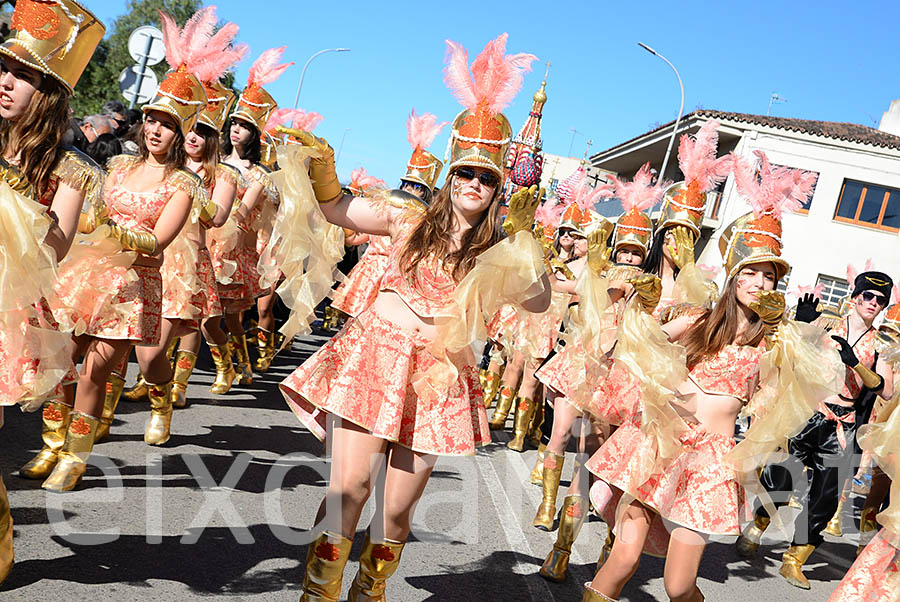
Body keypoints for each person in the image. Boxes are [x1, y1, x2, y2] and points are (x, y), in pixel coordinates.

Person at [279, 34, 549, 600]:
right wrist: (323, 164)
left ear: (499, 187)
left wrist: (525, 240)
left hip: (440, 377)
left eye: (487, 178)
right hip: (376, 355)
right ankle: (318, 593)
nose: (474, 184)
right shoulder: (407, 218)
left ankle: (368, 590)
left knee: (396, 512)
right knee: (348, 487)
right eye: (465, 173)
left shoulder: (500, 248)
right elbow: (334, 209)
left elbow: (540, 303)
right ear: (450, 175)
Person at [583, 151, 836, 602]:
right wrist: (641, 308)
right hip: (662, 443)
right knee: (621, 560)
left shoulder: (773, 344)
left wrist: (786, 339)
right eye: (752, 273)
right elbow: (639, 345)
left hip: (712, 464)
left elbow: (802, 390)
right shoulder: (699, 320)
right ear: (735, 277)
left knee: (678, 587)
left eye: (769, 277)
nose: (760, 283)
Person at [41, 11, 206, 490]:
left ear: (181, 133)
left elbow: (157, 241)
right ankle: (53, 443)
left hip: (133, 284)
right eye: (152, 118)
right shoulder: (115, 165)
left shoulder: (184, 183)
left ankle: (75, 457)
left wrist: (111, 226)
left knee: (94, 372)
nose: (155, 129)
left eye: (167, 123)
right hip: (85, 275)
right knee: (61, 363)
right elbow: (84, 209)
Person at [0, 0, 105, 581]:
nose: (6, 81)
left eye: (23, 74)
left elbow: (56, 244)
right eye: (3, 68)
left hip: (8, 307)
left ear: (50, 93)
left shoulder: (70, 166)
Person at [738, 269, 895, 589]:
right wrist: (802, 326)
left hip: (844, 425)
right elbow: (789, 353)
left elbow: (887, 390)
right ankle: (757, 526)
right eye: (868, 296)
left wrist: (856, 364)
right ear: (855, 298)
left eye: (881, 300)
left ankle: (794, 558)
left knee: (826, 496)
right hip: (807, 413)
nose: (874, 303)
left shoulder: (881, 344)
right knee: (780, 477)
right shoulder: (826, 324)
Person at [212, 46, 290, 385]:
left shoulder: (259, 174)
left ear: (254, 133)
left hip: (234, 249)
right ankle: (214, 369)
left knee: (229, 317)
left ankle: (240, 362)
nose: (236, 131)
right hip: (202, 243)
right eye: (234, 124)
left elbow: (242, 214)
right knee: (193, 312)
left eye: (244, 126)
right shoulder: (214, 161)